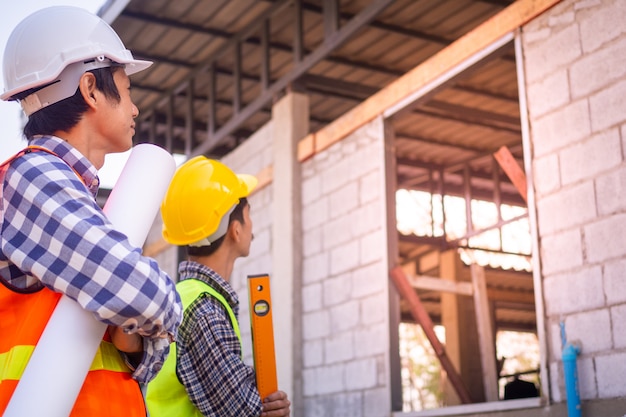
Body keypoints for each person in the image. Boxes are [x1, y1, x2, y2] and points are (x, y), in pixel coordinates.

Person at [0, 6, 182, 416]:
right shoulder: (33, 176)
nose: (135, 109)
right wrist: (155, 320)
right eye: (127, 89)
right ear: (91, 89)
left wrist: (135, 337)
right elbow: (143, 296)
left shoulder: (73, 198)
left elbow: (129, 336)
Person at [146, 156, 291, 417]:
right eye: (249, 215)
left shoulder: (183, 296)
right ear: (235, 230)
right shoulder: (203, 310)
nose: (252, 225)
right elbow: (242, 412)